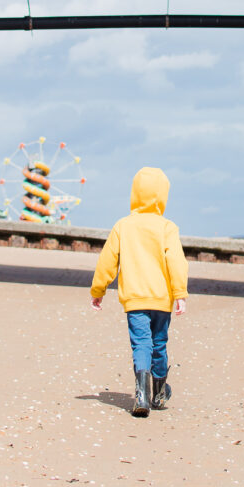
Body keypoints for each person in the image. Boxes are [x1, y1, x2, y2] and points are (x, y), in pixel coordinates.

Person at [89, 166, 188, 417]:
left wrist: (98, 289)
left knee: (141, 344)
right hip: (161, 299)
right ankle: (158, 392)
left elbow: (107, 261)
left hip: (134, 299)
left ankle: (142, 395)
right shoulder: (167, 228)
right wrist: (180, 293)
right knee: (159, 343)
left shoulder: (123, 226)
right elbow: (177, 262)